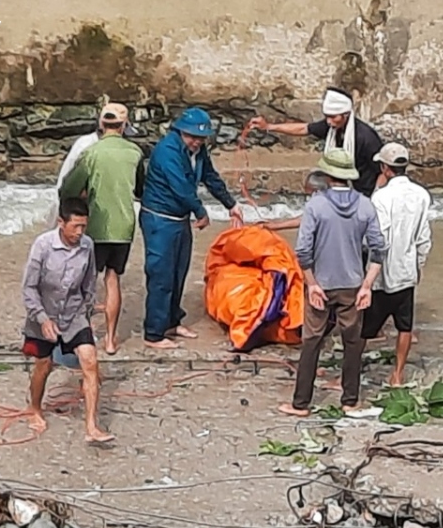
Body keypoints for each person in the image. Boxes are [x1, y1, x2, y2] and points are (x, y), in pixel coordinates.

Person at [278, 148, 386, 418]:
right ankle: (350, 401)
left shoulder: (316, 205)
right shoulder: (365, 205)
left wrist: (312, 284)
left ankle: (301, 403)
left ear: (326, 175)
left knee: (311, 341)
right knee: (353, 342)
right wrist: (367, 285)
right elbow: (379, 249)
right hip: (352, 284)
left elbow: (303, 251)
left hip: (321, 284)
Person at [138, 107, 244, 349]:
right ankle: (153, 333)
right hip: (159, 220)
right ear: (179, 131)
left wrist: (231, 203)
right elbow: (180, 186)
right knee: (161, 275)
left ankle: (172, 321)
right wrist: (200, 211)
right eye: (192, 137)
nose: (196, 142)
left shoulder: (198, 150)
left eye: (201, 138)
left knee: (178, 273)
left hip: (179, 219)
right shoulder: (167, 151)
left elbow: (210, 176)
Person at [20, 197, 114, 445]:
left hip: (74, 314)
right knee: (44, 365)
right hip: (43, 312)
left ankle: (92, 426)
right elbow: (29, 288)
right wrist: (42, 319)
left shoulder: (87, 246)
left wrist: (87, 311)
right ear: (61, 222)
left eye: (84, 226)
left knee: (90, 360)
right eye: (75, 226)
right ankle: (35, 408)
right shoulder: (42, 245)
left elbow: (89, 282)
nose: (80, 232)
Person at [58, 103, 145, 356]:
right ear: (125, 125)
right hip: (124, 225)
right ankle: (110, 339)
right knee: (113, 278)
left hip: (95, 225)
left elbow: (67, 189)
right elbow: (140, 190)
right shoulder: (135, 152)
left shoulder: (91, 152)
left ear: (101, 124)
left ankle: (82, 336)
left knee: (87, 281)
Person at [248, 87, 385, 231]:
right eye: (327, 117)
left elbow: (383, 171)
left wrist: (374, 201)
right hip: (346, 190)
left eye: (333, 117)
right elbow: (304, 129)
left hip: (367, 193)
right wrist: (269, 127)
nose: (329, 122)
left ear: (346, 115)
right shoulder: (332, 127)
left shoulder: (366, 137)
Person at [361, 142, 433, 386]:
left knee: (362, 329)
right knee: (405, 326)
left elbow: (376, 236)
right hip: (406, 271)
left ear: (385, 168)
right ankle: (398, 374)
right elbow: (424, 237)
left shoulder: (382, 197)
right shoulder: (422, 195)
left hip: (382, 274)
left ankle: (348, 375)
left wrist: (368, 278)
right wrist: (419, 266)